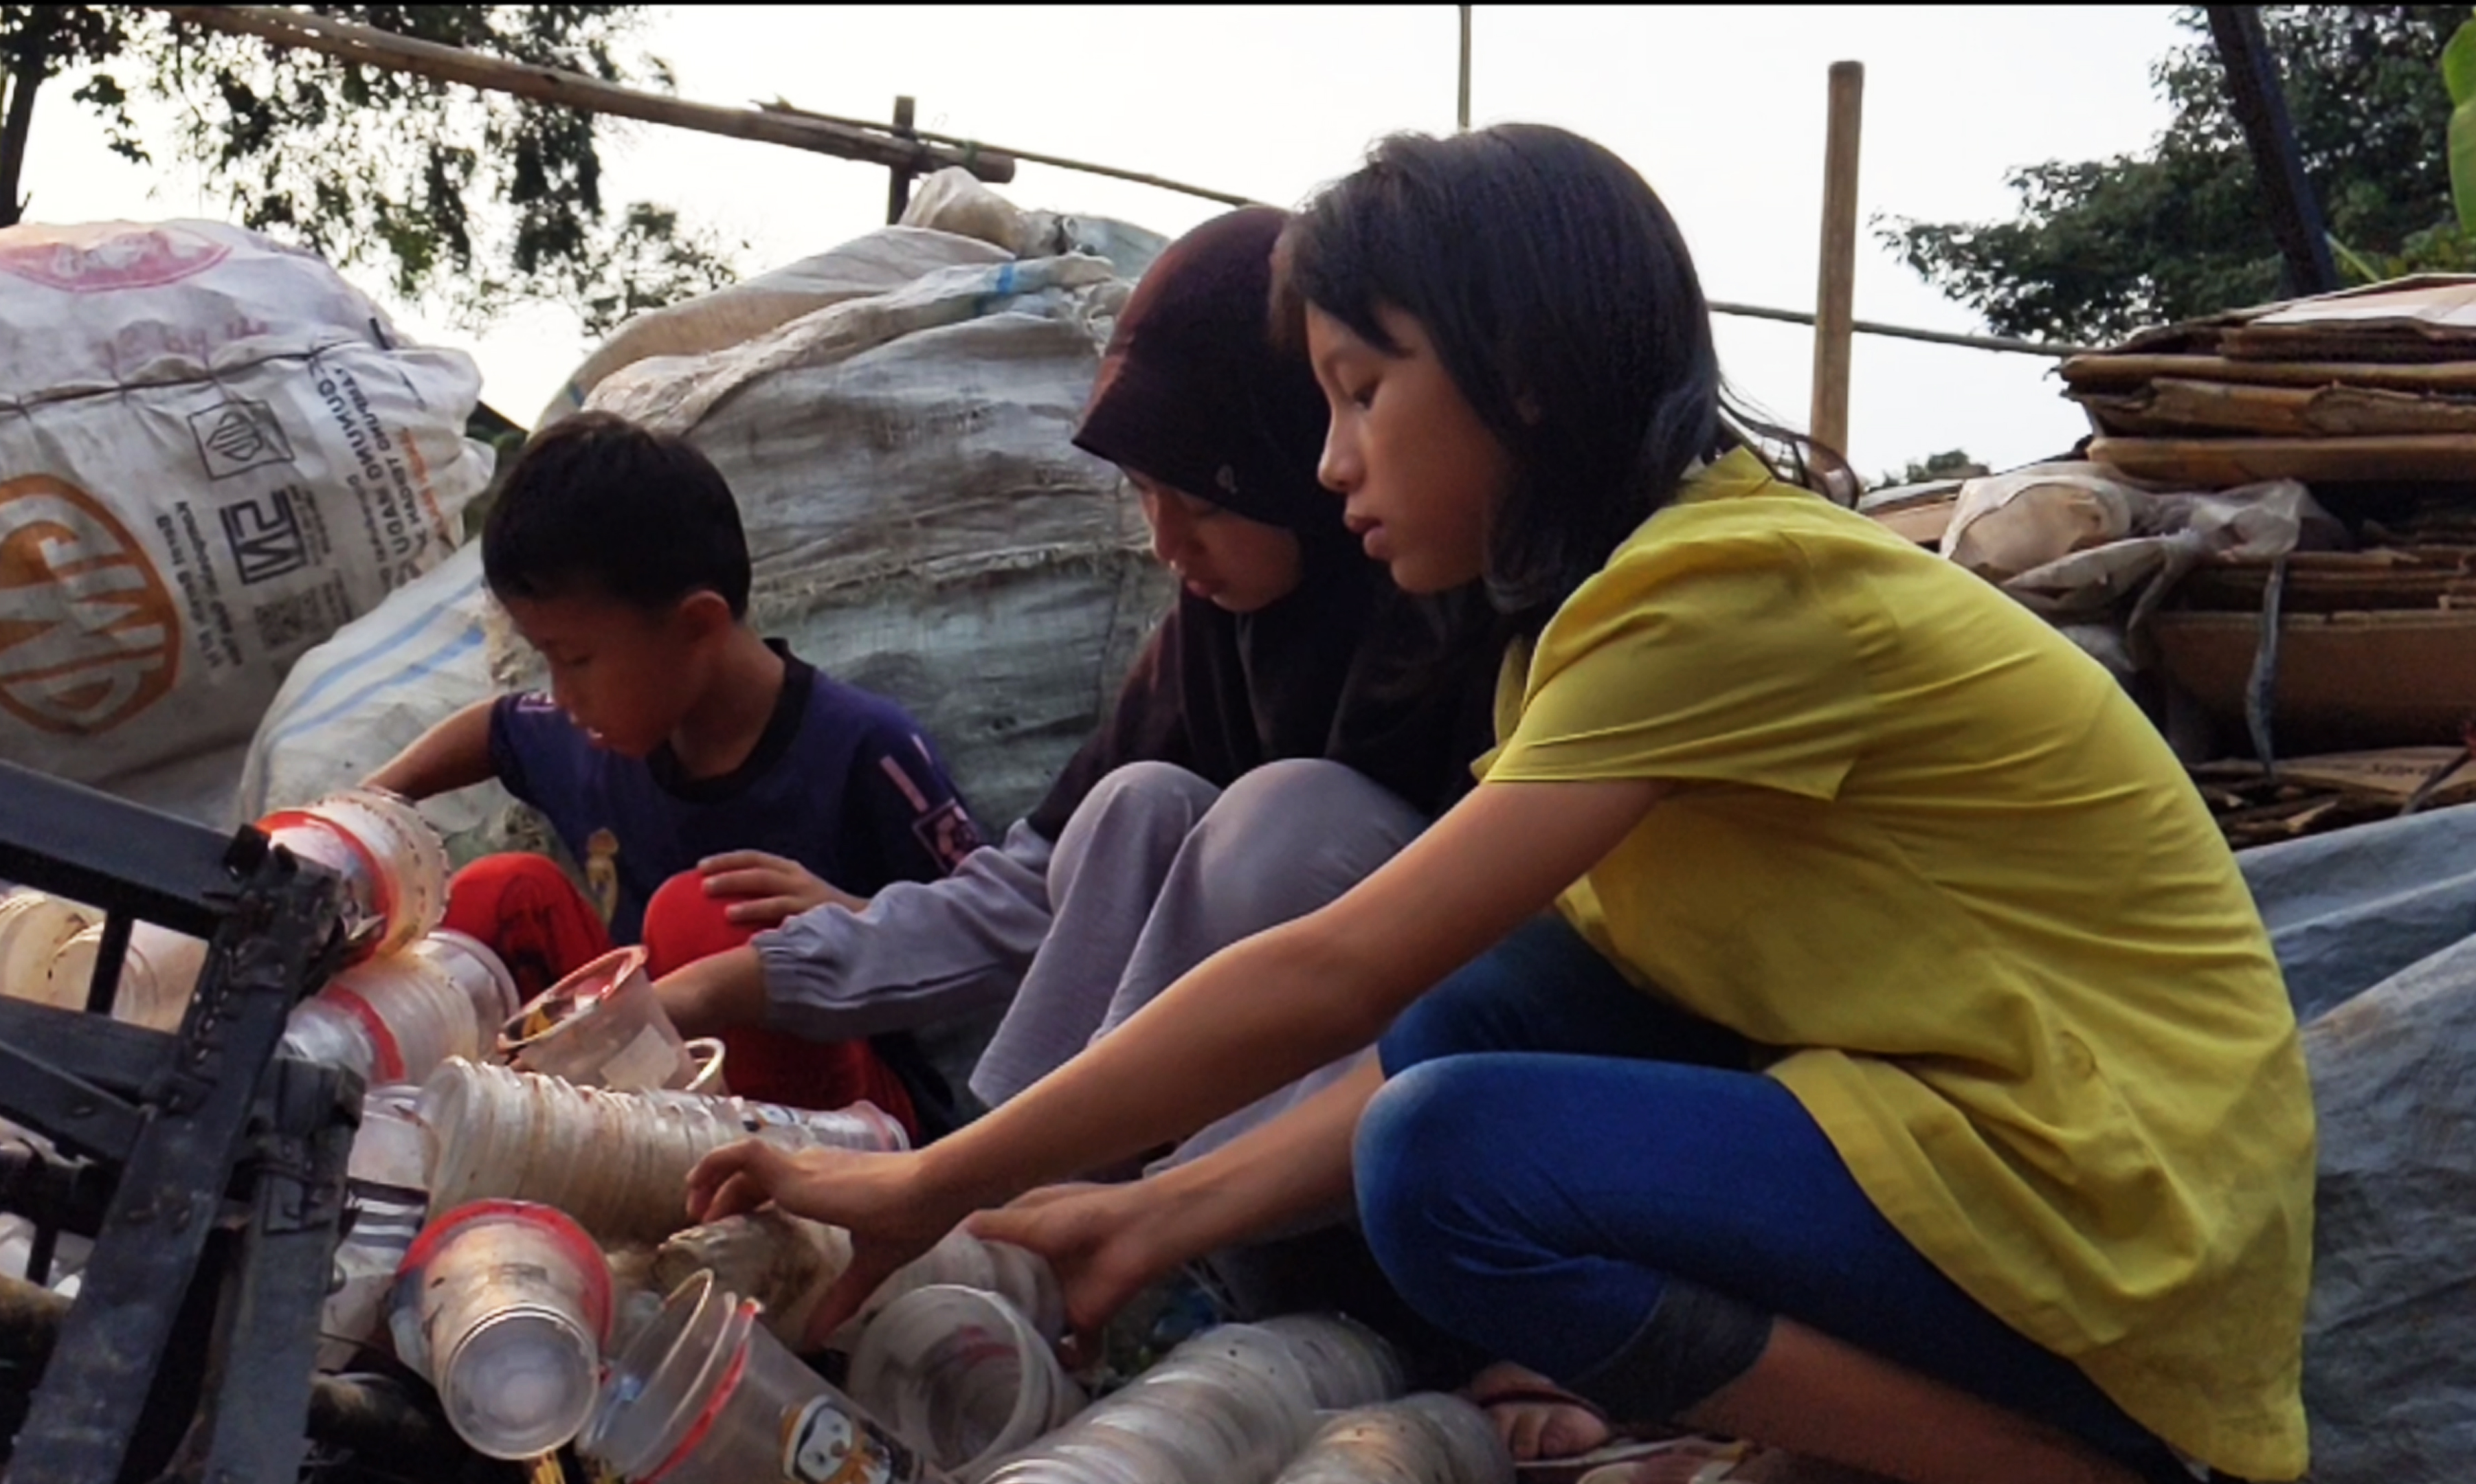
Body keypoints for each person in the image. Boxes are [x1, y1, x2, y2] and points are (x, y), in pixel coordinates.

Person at [684, 126, 2315, 1484]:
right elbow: (1448, 1013)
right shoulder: (1607, 622)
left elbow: (1335, 972)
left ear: (1521, 379)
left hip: (2110, 1212)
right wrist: (1147, 1214)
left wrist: (934, 1179)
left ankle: (2042, 1467)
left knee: (1445, 1161)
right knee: (1502, 999)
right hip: (2005, 1163)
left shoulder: (1723, 594)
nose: (1330, 460)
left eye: (1359, 390)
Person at [653, 207, 1499, 1162]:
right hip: (1228, 1090)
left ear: (1295, 464)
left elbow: (1495, 956)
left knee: (1291, 817)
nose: (1166, 545)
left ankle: (1123, 1198)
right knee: (1134, 802)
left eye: (1203, 504)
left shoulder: (1454, 616)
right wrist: (724, 985)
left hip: (1404, 1099)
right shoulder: (1213, 641)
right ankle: (1031, 1172)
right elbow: (1027, 893)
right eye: (1145, 494)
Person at [366, 412, 983, 1136]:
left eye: (577, 659)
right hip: (650, 1090)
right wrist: (366, 807)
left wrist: (853, 915)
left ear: (697, 626)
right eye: (547, 660)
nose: (562, 694)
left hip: (837, 1126)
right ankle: (422, 1136)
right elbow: (497, 729)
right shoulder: (595, 738)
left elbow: (995, 925)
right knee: (500, 890)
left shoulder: (867, 749)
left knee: (707, 911)